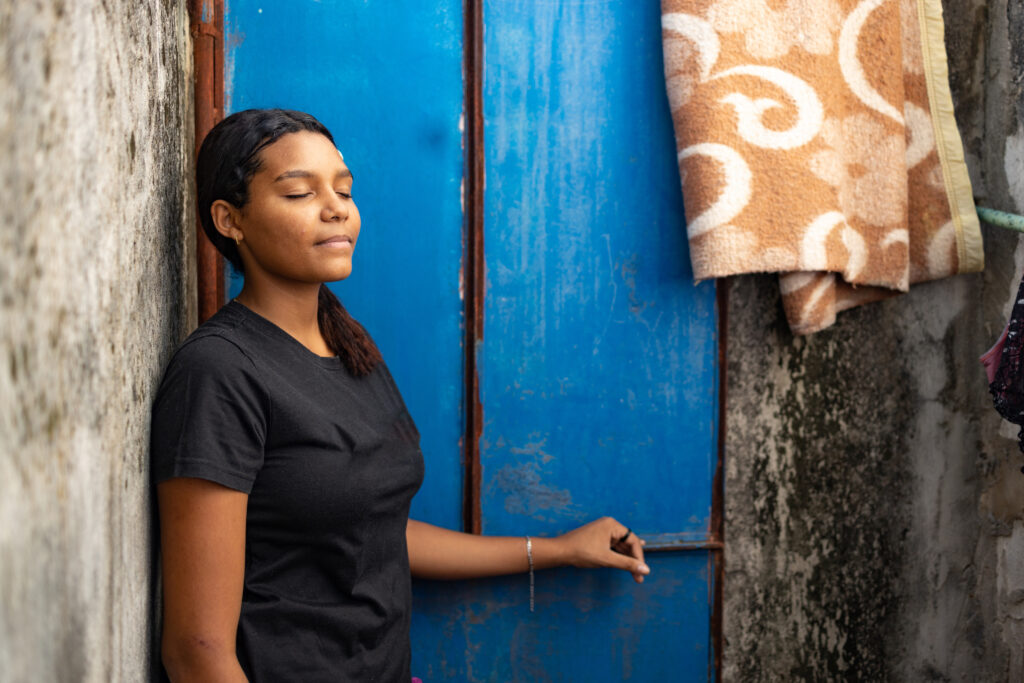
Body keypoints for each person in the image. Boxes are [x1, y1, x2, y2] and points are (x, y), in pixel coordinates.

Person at [151, 108, 649, 682]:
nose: (336, 207)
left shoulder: (348, 345)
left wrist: (557, 549)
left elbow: (373, 531)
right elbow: (196, 651)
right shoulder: (218, 373)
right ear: (229, 220)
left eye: (343, 189)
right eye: (298, 192)